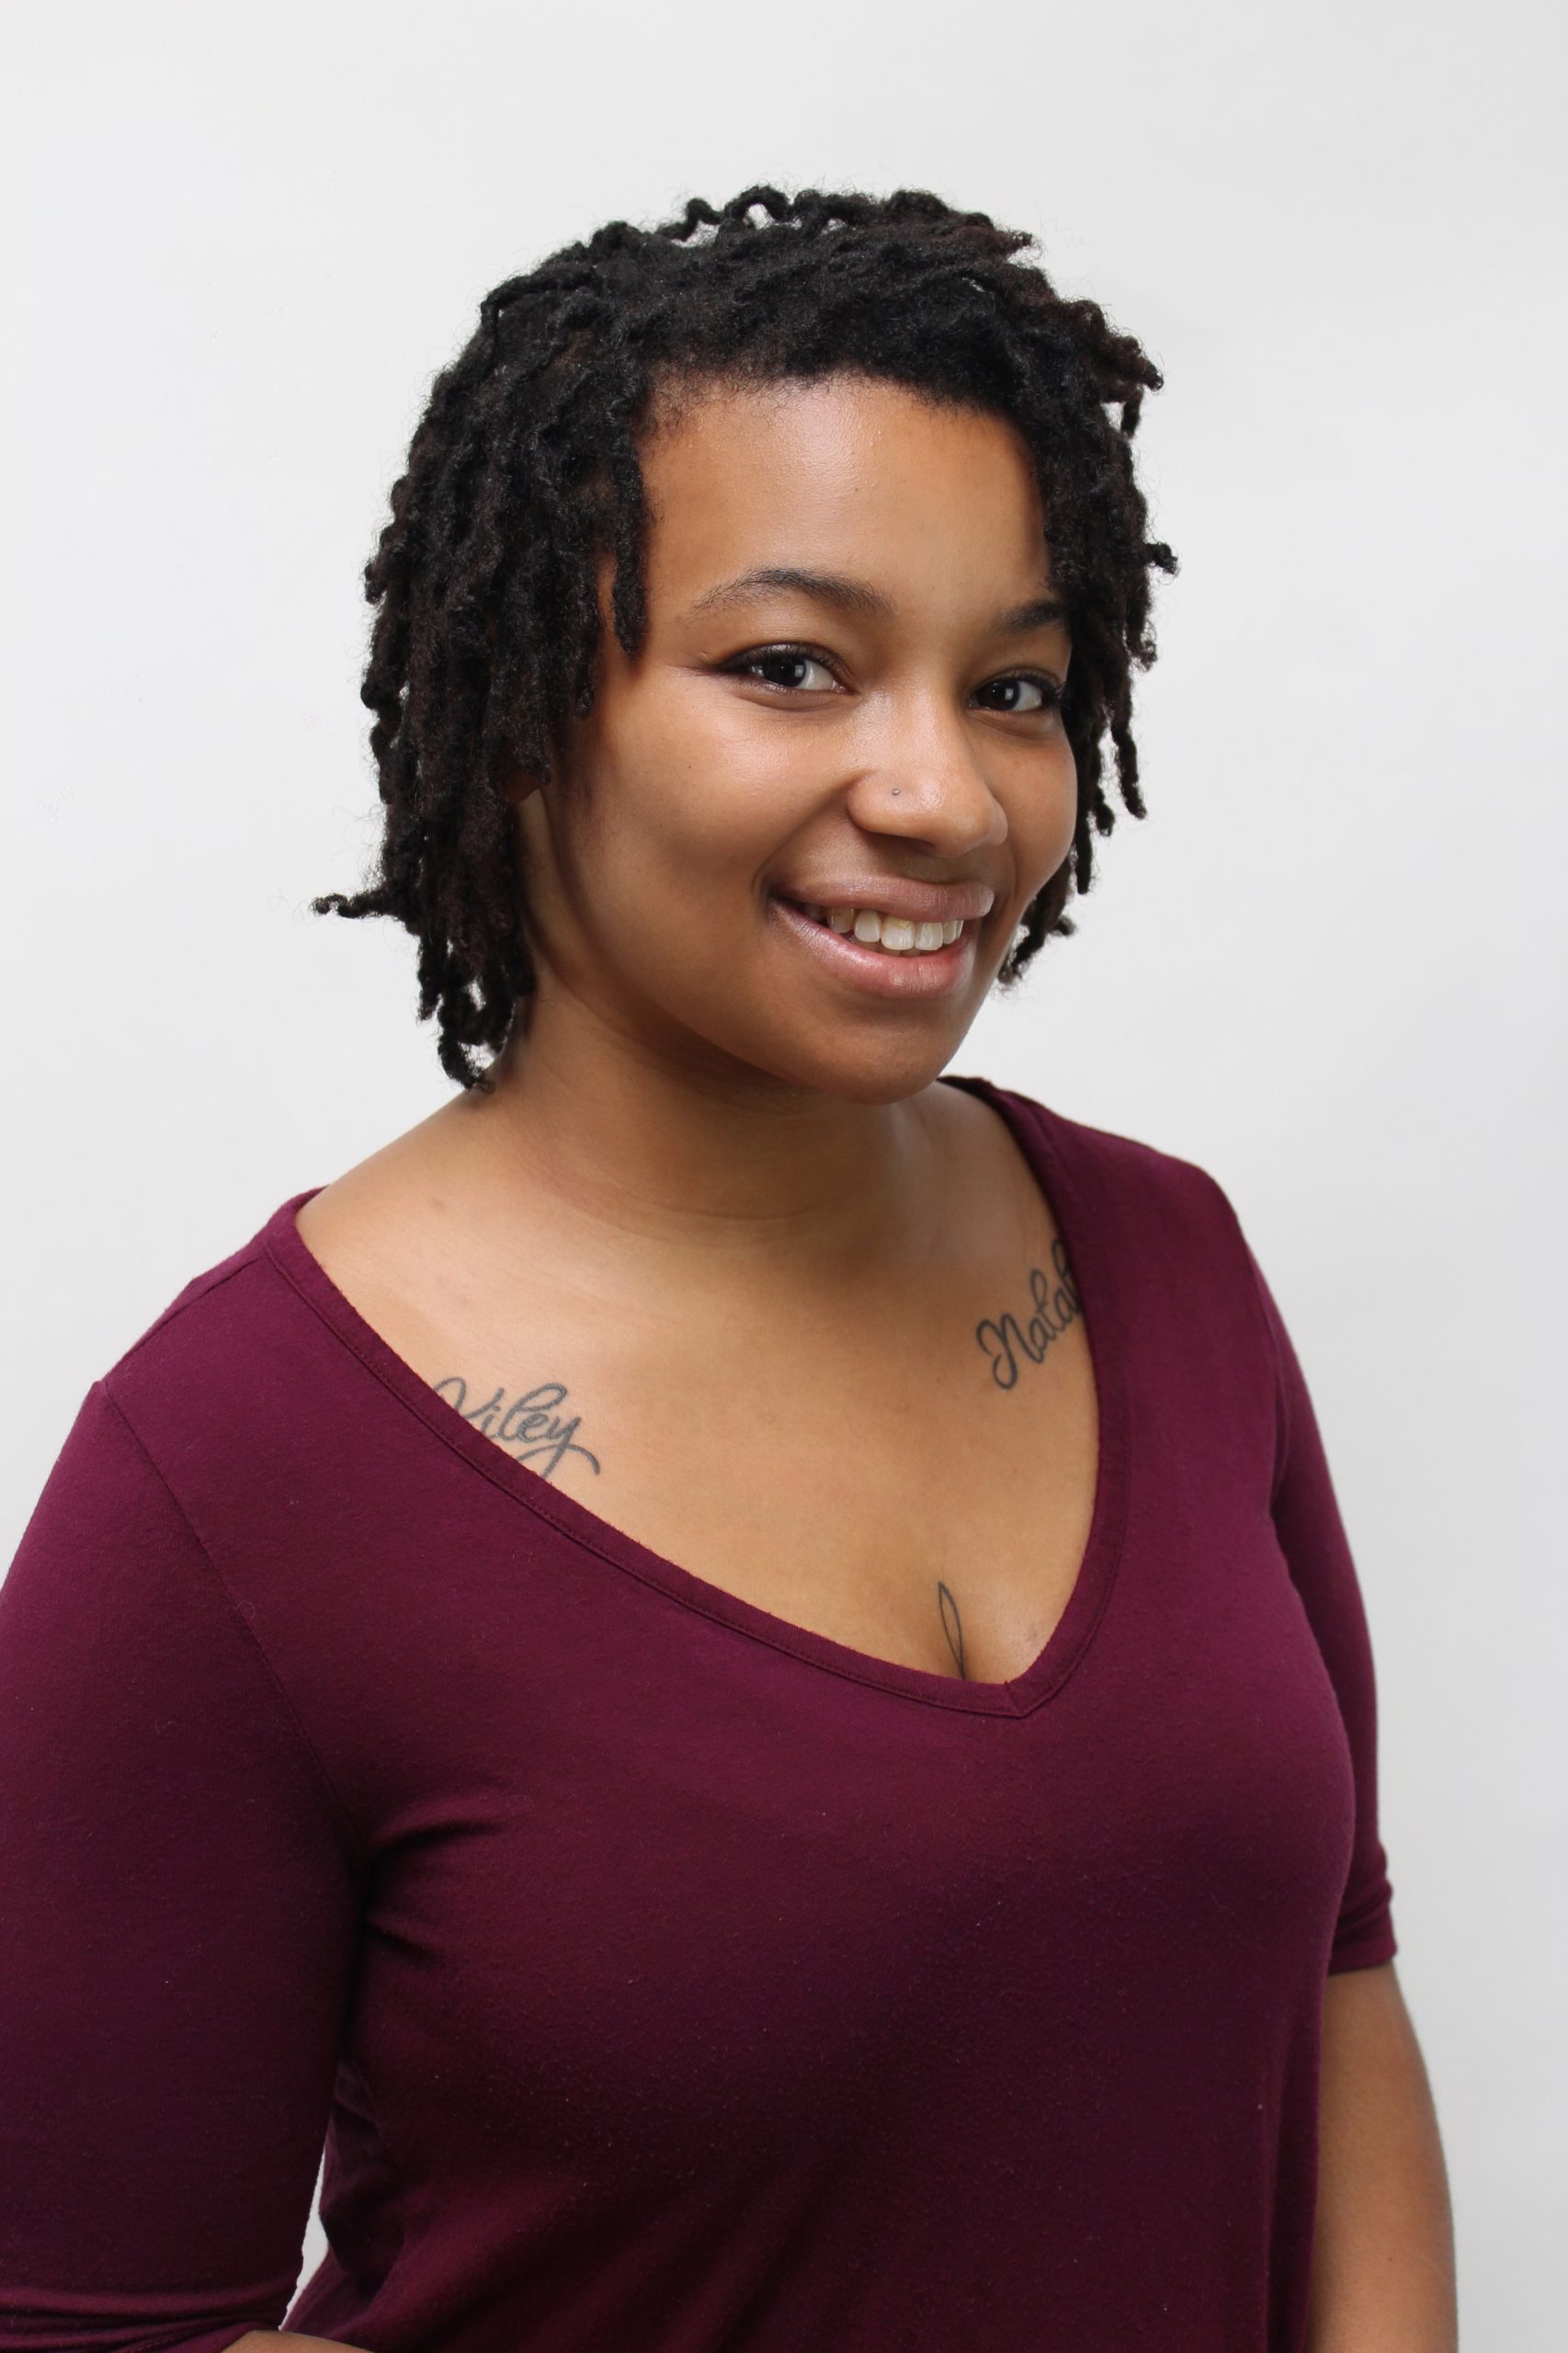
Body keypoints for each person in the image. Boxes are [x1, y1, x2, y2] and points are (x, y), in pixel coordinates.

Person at [0, 186, 1456, 2351]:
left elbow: (1334, 1969)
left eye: (1015, 684)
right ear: (524, 705)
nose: (943, 793)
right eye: (790, 665)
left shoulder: (1167, 1264)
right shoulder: (229, 1478)